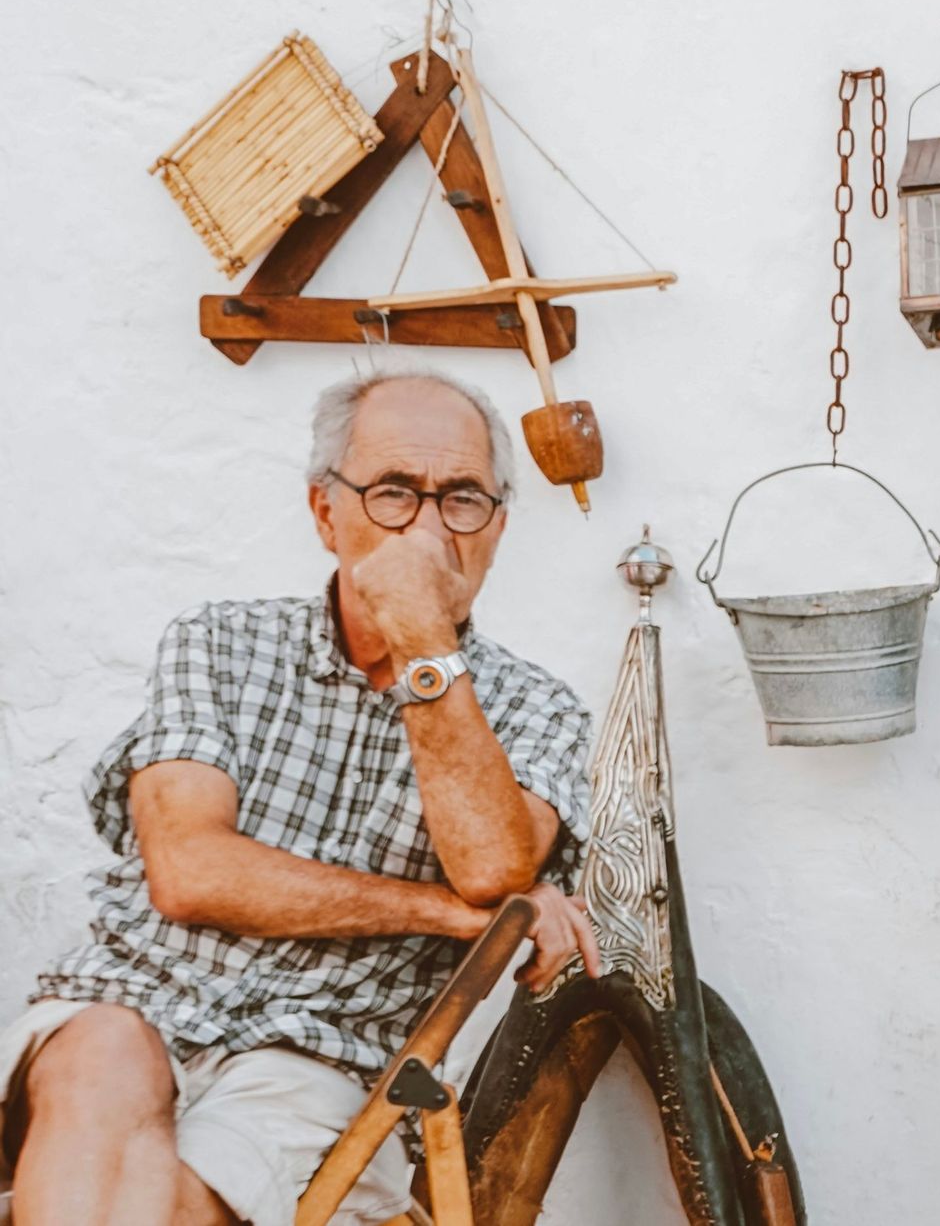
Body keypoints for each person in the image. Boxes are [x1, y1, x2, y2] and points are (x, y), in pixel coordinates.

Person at [0, 372, 602, 1226]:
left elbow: (491, 864)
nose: (430, 527)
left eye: (464, 498)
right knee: (100, 1055)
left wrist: (423, 640)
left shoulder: (542, 709)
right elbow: (189, 871)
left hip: (319, 1056)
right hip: (129, 996)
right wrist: (448, 916)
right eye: (394, 493)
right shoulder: (218, 641)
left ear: (499, 526)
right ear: (326, 512)